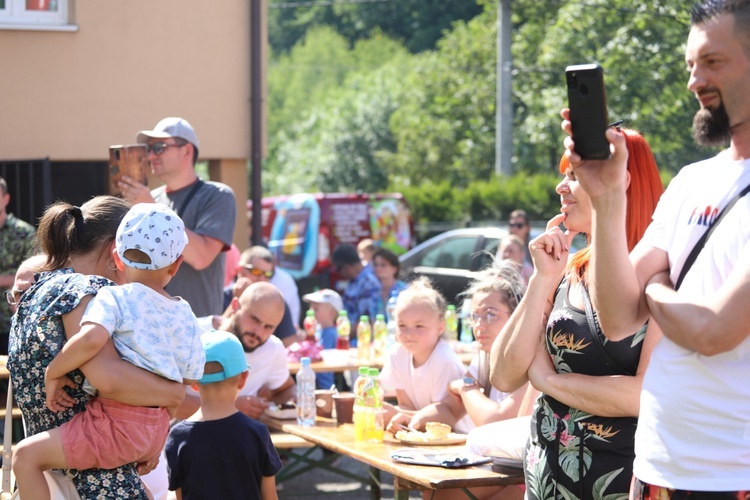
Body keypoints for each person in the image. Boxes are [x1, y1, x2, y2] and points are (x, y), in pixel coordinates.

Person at [561, 1, 750, 495]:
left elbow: (713, 330)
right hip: (655, 468)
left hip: (733, 475)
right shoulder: (692, 180)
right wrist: (606, 199)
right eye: (691, 65)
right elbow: (620, 317)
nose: (694, 81)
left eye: (713, 62)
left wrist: (658, 287)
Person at [491, 128, 664, 499]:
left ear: (620, 181)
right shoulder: (564, 272)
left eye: (574, 176)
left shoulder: (661, 277)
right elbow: (504, 375)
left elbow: (644, 394)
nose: (560, 187)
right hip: (547, 478)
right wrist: (543, 278)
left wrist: (549, 382)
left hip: (621, 482)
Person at [12, 203, 205, 499]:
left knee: (24, 455)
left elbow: (95, 351)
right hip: (98, 479)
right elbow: (110, 377)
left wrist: (55, 372)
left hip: (79, 464)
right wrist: (172, 397)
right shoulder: (90, 290)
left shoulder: (36, 292)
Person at [118, 116, 237, 317]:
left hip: (199, 325)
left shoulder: (217, 195)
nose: (151, 156)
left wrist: (149, 206)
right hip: (150, 323)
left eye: (159, 147)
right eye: (149, 149)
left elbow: (202, 257)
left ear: (187, 151)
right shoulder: (150, 198)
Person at [165, 330, 282, 499]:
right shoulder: (257, 433)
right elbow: (270, 496)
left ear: (194, 383)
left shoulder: (178, 436)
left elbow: (177, 496)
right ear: (243, 379)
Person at [379, 277, 467, 430]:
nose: (408, 333)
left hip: (456, 437)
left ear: (440, 328)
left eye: (419, 326)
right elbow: (406, 405)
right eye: (402, 325)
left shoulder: (444, 361)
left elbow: (443, 417)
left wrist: (396, 414)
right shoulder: (396, 354)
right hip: (420, 434)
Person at [222, 245, 299, 346]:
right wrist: (238, 301)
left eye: (267, 275)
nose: (262, 278)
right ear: (240, 270)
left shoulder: (277, 303)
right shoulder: (221, 298)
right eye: (256, 272)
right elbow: (213, 338)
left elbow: (290, 345)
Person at [0, 176, 36, 355]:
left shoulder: (24, 232)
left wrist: (7, 279)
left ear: (6, 198)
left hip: (12, 318)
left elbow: (38, 272)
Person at [331, 243, 381, 341]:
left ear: (346, 267)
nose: (340, 274)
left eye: (338, 269)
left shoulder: (368, 283)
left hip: (359, 341)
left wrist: (341, 337)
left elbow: (366, 321)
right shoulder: (355, 280)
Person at [301, 288, 343, 389]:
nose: (311, 312)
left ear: (332, 313)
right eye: (310, 308)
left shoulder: (329, 333)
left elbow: (322, 362)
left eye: (316, 309)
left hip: (325, 385)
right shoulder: (318, 331)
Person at [372, 247, 407, 319]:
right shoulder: (373, 290)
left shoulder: (404, 290)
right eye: (376, 265)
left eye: (383, 265)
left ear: (394, 268)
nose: (378, 268)